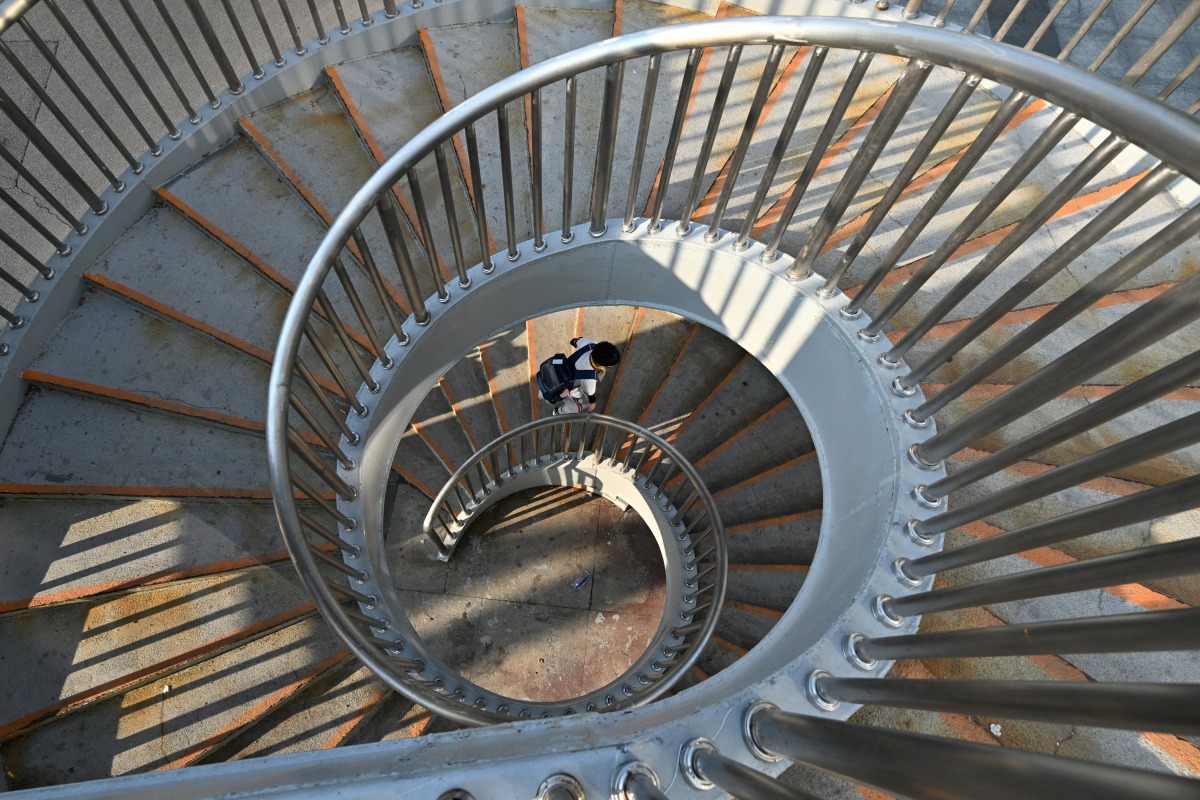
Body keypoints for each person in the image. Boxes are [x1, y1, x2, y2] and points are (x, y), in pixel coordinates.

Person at [551, 337, 621, 415]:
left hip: (562, 369)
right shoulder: (589, 378)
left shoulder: (591, 344)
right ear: (600, 364)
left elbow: (574, 341)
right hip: (568, 384)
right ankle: (558, 412)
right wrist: (592, 403)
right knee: (578, 406)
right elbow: (591, 395)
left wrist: (575, 342)